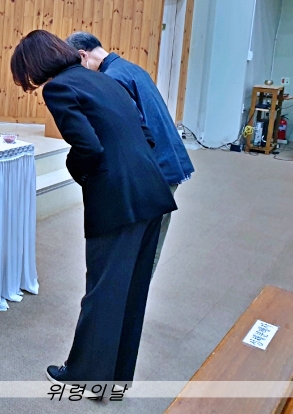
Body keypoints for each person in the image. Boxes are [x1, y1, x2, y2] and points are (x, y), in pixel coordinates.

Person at [10, 30, 176, 386]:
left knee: (102, 289)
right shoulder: (105, 79)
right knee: (131, 291)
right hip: (152, 191)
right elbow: (146, 134)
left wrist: (79, 172)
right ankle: (117, 376)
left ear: (34, 65)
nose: (31, 82)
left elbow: (89, 147)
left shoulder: (59, 88)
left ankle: (85, 375)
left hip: (117, 200)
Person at [66, 32, 194, 275]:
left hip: (154, 168)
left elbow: (130, 131)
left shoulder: (111, 79)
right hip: (168, 159)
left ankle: (133, 296)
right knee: (146, 243)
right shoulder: (129, 68)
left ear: (83, 56)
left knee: (141, 248)